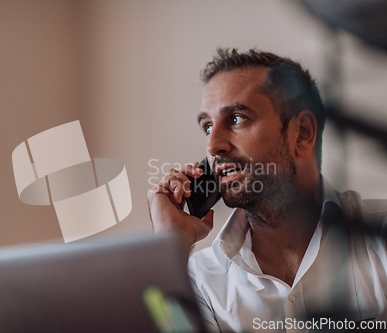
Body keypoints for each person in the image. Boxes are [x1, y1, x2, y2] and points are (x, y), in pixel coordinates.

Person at [147, 48, 387, 333]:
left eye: (236, 118)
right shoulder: (199, 280)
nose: (213, 147)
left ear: (303, 133)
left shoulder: (379, 235)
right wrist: (170, 242)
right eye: (208, 126)